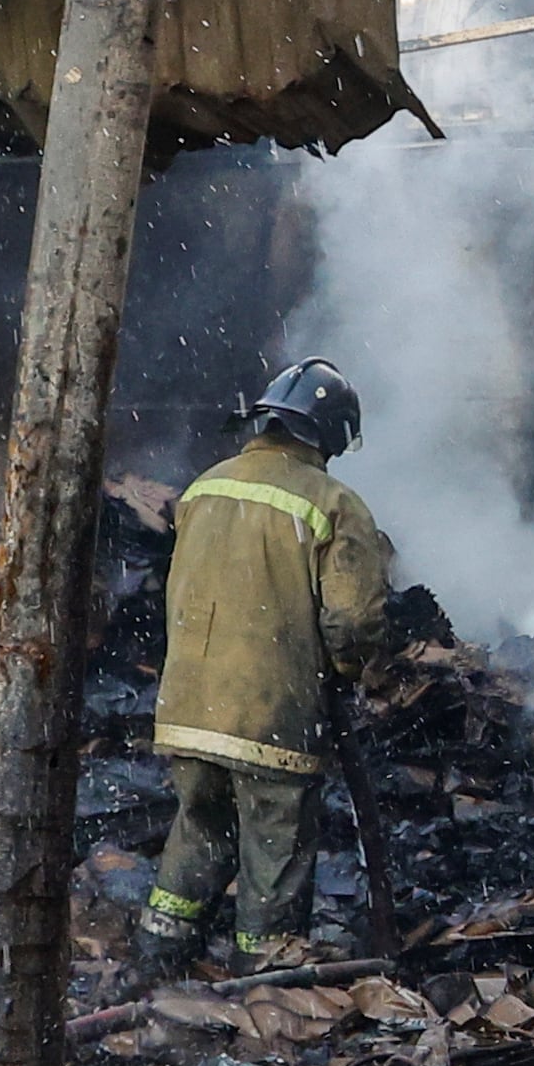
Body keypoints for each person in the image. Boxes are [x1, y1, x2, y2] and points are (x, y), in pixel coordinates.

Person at [144, 358, 394, 978]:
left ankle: (160, 950)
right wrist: (345, 669)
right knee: (276, 846)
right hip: (271, 714)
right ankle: (265, 979)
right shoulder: (334, 503)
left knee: (201, 825)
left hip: (187, 709)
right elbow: (352, 621)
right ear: (329, 434)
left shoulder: (203, 488)